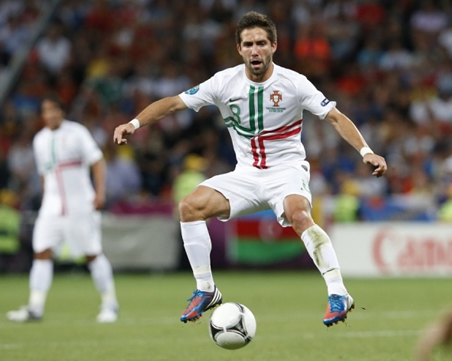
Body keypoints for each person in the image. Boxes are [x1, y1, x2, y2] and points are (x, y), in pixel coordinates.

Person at [113, 11, 387, 327]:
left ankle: (339, 293)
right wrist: (134, 123)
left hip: (286, 171)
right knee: (189, 207)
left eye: (260, 43)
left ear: (273, 46)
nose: (254, 50)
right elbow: (173, 103)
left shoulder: (294, 83)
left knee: (299, 214)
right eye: (248, 44)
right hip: (245, 175)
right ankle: (206, 289)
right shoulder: (223, 82)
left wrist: (366, 151)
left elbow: (336, 117)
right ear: (239, 49)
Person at [7, 95, 119, 323]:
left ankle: (110, 304)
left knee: (91, 253)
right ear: (42, 115)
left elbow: (97, 161)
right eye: (46, 111)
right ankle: (35, 307)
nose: (50, 115)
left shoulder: (76, 132)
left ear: (62, 112)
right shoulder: (39, 139)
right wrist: (45, 198)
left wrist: (99, 193)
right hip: (52, 205)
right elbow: (43, 175)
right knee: (41, 252)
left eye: (54, 110)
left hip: (79, 203)